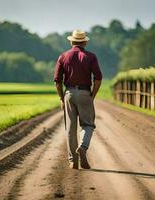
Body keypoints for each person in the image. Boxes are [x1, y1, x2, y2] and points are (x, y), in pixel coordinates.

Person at [54, 29, 102, 169]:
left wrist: (62, 98)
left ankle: (72, 161)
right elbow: (98, 78)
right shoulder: (91, 56)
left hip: (68, 93)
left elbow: (57, 81)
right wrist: (92, 95)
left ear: (71, 41)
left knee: (70, 128)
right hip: (85, 92)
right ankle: (83, 147)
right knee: (88, 125)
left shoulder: (63, 56)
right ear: (85, 42)